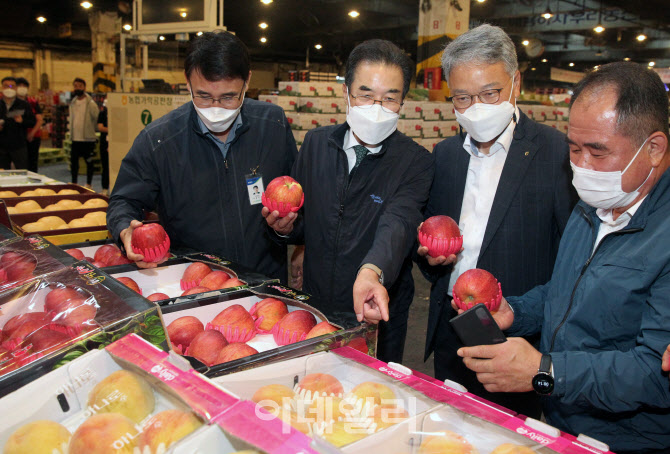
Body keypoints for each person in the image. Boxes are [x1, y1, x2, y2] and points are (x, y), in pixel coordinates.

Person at [457, 62, 670, 453]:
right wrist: (516, 312)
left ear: (653, 148)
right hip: (560, 420)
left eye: (597, 152)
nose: (581, 167)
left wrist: (546, 371)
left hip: (629, 438)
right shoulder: (594, 203)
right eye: (573, 148)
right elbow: (569, 288)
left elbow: (656, 372)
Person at [415, 24, 578, 418]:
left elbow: (572, 263)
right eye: (463, 98)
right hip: (451, 327)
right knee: (450, 426)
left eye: (490, 93)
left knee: (507, 434)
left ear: (515, 82)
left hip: (515, 336)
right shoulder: (446, 156)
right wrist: (430, 258)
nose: (478, 108)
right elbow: (430, 235)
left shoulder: (557, 154)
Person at [263, 39, 434, 362]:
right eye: (366, 95)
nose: (376, 107)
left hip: (376, 308)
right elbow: (302, 223)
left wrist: (373, 271)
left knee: (369, 400)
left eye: (389, 99)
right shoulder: (316, 144)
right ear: (347, 94)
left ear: (403, 102)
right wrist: (284, 228)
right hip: (315, 305)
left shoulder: (415, 162)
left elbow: (398, 222)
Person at [107, 31, 297, 283]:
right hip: (196, 285)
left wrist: (294, 235)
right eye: (204, 96)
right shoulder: (160, 140)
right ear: (188, 83)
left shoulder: (272, 124)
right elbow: (123, 200)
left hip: (266, 280)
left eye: (229, 97)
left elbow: (298, 192)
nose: (216, 108)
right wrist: (125, 231)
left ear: (247, 81)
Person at [68, 78, 99, 188]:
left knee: (89, 162)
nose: (77, 88)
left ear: (84, 87)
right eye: (75, 86)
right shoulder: (72, 103)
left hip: (87, 139)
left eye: (80, 86)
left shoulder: (91, 104)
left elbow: (96, 118)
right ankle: (74, 183)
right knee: (74, 163)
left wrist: (90, 130)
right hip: (75, 138)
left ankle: (89, 184)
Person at [0, 77, 36, 170]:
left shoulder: (24, 104)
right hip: (1, 146)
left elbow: (32, 122)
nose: (9, 88)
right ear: (2, 88)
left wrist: (22, 121)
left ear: (16, 88)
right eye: (6, 86)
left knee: (22, 172)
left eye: (12, 86)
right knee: (2, 175)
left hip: (19, 145)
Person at [15, 77, 43, 173]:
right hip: (18, 137)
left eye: (24, 86)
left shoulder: (33, 102)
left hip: (33, 137)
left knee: (32, 163)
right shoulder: (11, 102)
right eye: (19, 86)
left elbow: (39, 120)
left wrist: (31, 134)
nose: (22, 88)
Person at [96, 99, 110, 195]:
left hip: (115, 143)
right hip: (104, 143)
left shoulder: (117, 114)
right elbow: (100, 127)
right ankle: (104, 188)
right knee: (105, 166)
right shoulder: (102, 114)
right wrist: (112, 129)